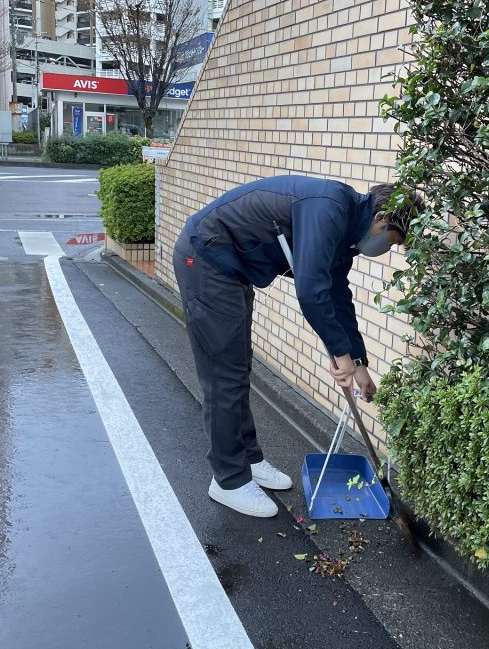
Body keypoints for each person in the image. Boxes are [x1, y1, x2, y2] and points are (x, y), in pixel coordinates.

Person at [173, 176, 424, 518]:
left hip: (231, 271)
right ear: (381, 219)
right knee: (224, 375)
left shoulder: (347, 231)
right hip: (206, 259)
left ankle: (249, 459)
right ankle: (228, 479)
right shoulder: (330, 207)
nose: (388, 248)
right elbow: (311, 290)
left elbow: (337, 295)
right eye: (393, 241)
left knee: (238, 368)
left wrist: (359, 363)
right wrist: (340, 356)